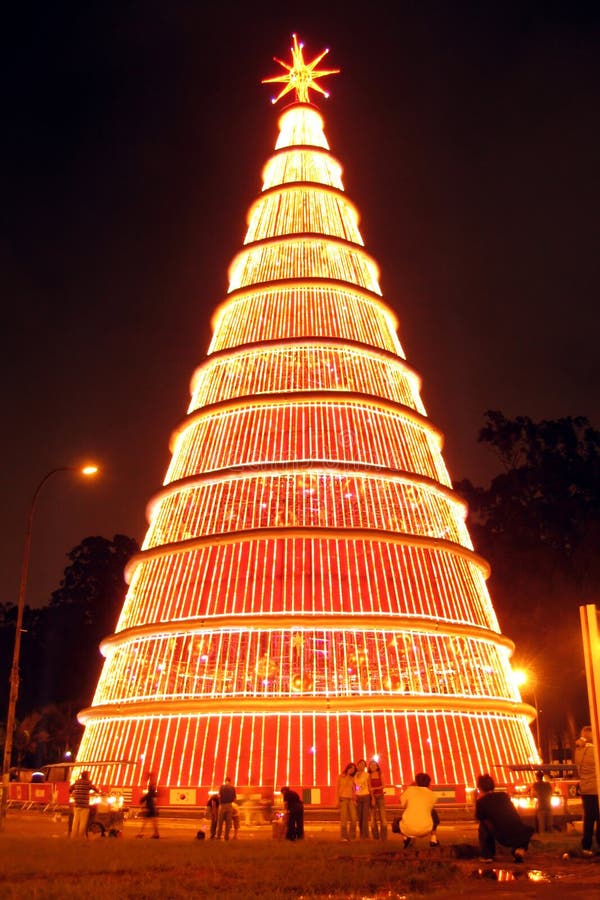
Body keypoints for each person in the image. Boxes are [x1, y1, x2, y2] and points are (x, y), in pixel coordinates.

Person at [475, 773, 534, 863]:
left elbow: (479, 817)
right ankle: (519, 849)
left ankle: (487, 855)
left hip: (503, 836)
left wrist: (479, 800)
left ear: (480, 788)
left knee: (483, 824)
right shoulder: (503, 796)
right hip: (520, 832)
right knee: (518, 828)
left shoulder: (481, 802)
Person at [575, 725, 599, 856]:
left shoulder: (579, 750)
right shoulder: (593, 751)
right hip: (596, 788)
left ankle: (586, 846)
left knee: (589, 819)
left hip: (585, 789)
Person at [398, 772, 439, 848]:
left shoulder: (410, 790)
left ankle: (405, 838)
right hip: (426, 829)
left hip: (408, 828)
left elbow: (402, 804)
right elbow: (429, 807)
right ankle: (433, 839)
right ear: (429, 783)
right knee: (434, 813)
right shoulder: (433, 795)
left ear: (416, 782)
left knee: (396, 822)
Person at [68, 770, 98, 839]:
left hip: (76, 805)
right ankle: (80, 837)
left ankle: (73, 836)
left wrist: (75, 793)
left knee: (75, 821)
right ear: (87, 776)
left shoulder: (77, 782)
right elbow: (96, 790)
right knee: (83, 822)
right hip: (84, 806)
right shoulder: (88, 783)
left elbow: (70, 790)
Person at [336, 762, 357, 841]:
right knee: (344, 819)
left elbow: (356, 788)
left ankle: (352, 836)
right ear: (347, 768)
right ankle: (344, 837)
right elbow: (337, 789)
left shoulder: (353, 778)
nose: (352, 770)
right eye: (350, 768)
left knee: (354, 818)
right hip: (343, 799)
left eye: (353, 769)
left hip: (351, 799)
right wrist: (337, 800)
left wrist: (356, 795)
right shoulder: (341, 776)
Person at [368, 759, 388, 840]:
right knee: (373, 818)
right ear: (369, 767)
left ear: (377, 767)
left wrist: (374, 788)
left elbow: (384, 785)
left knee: (383, 817)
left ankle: (383, 837)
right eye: (371, 765)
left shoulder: (380, 774)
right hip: (372, 797)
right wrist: (372, 798)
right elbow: (369, 788)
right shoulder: (369, 775)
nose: (373, 766)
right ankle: (375, 837)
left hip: (380, 797)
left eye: (374, 765)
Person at [354, 759, 371, 839]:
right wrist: (356, 793)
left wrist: (372, 798)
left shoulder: (367, 775)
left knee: (365, 817)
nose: (361, 765)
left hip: (366, 796)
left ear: (365, 766)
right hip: (358, 797)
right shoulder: (355, 775)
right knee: (360, 817)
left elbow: (369, 786)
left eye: (363, 764)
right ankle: (361, 834)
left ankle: (366, 835)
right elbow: (356, 786)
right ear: (357, 765)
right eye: (360, 764)